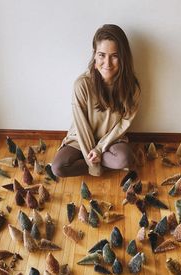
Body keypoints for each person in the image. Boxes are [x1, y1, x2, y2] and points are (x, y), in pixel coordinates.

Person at [52, 24, 140, 177]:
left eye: (114, 56)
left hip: (111, 141)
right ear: (94, 55)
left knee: (125, 158)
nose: (107, 62)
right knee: (58, 168)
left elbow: (123, 125)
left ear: (123, 57)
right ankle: (98, 163)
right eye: (102, 55)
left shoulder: (132, 87)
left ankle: (93, 161)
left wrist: (99, 148)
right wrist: (94, 165)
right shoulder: (82, 84)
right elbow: (81, 126)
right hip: (80, 138)